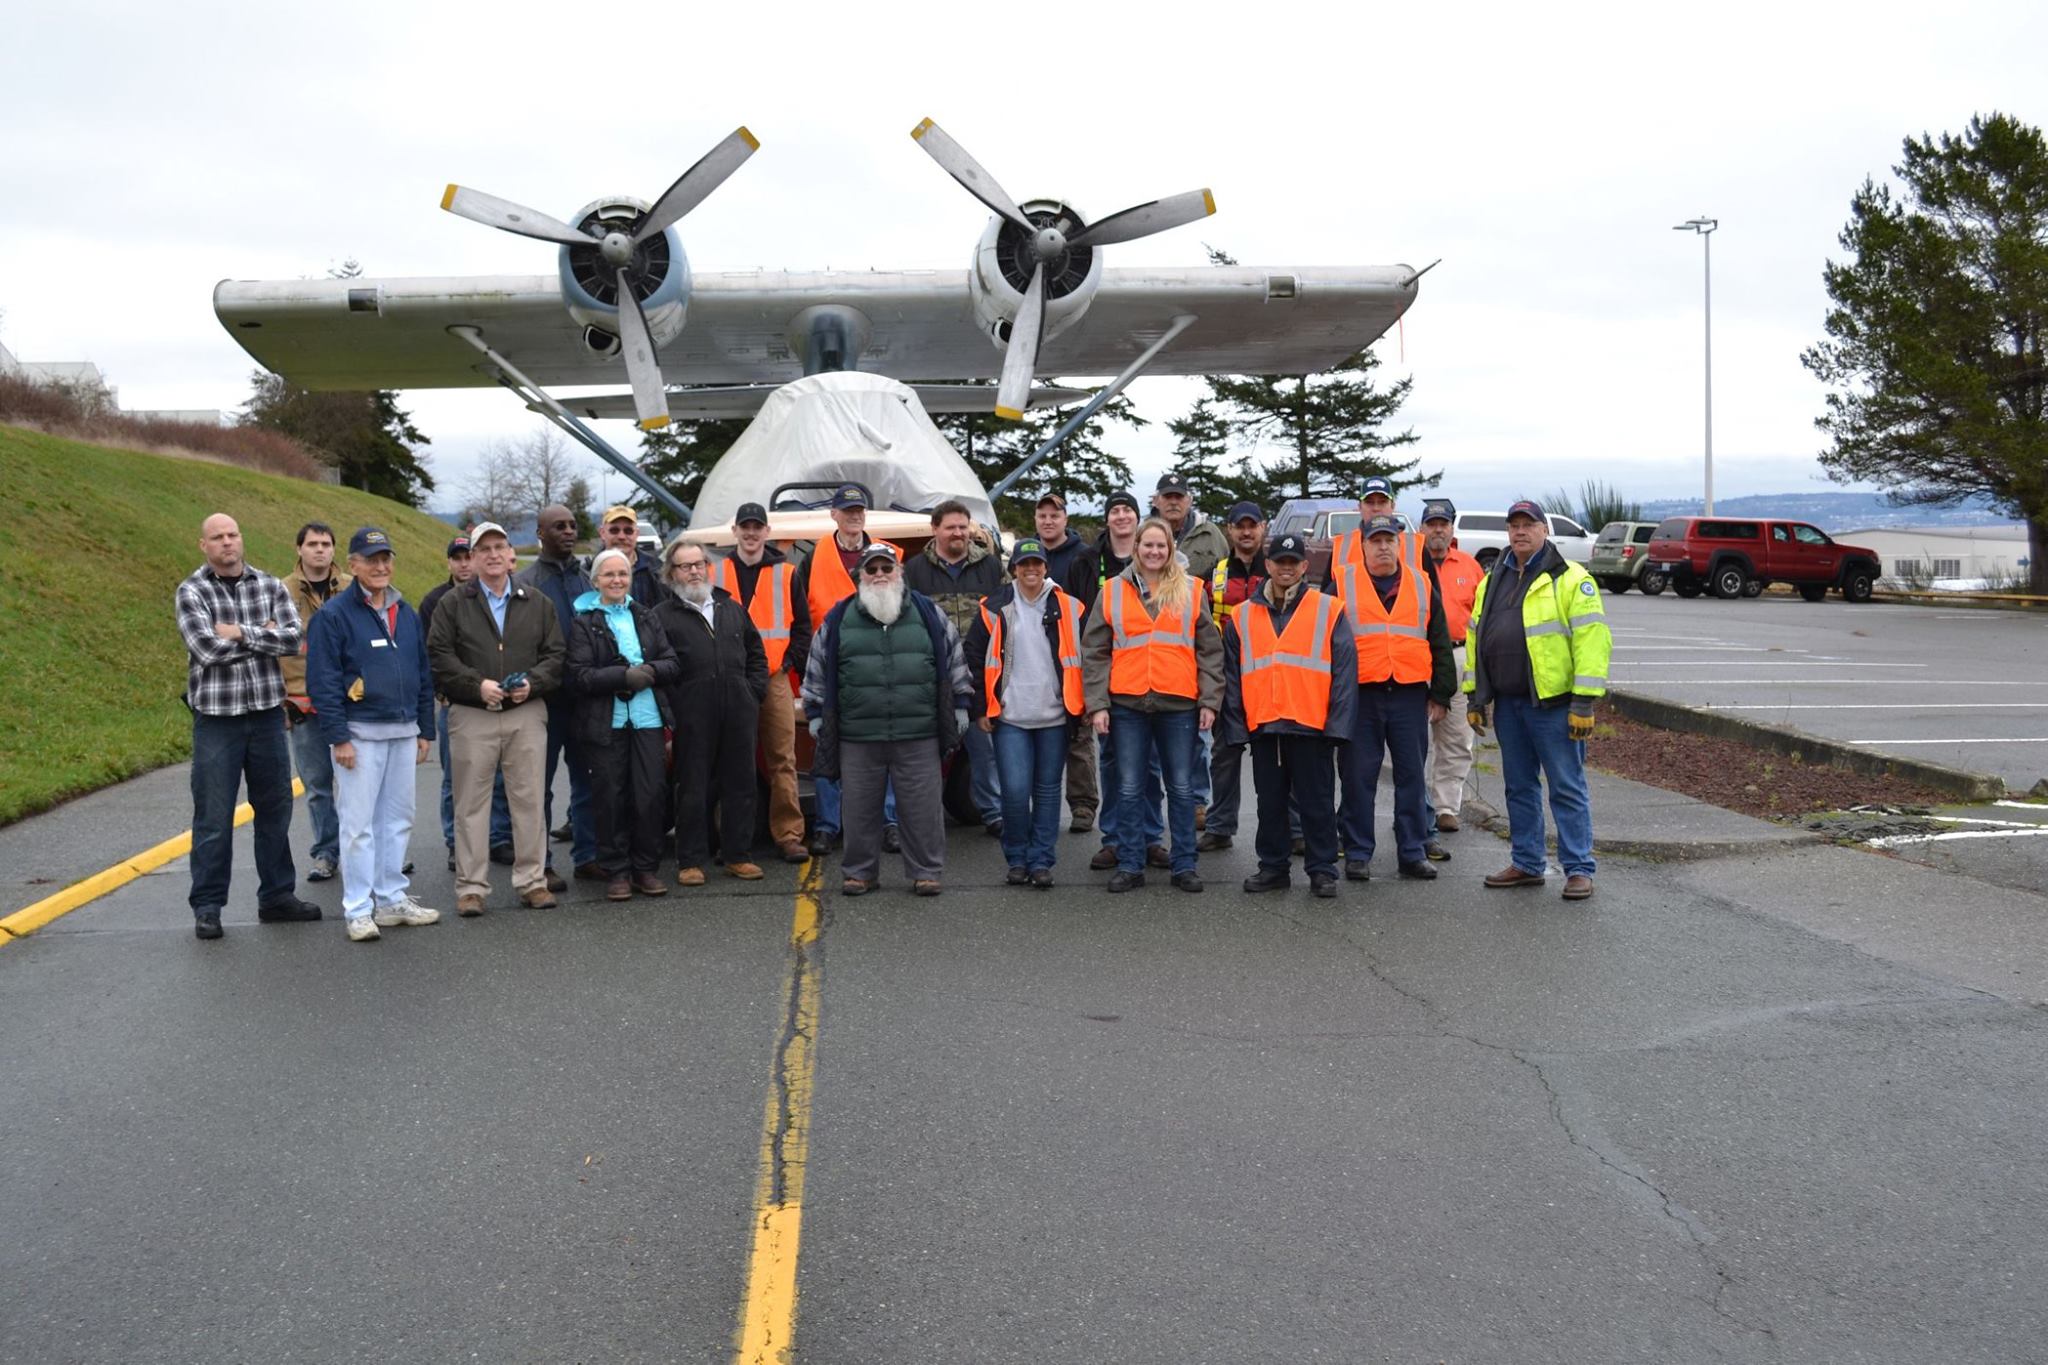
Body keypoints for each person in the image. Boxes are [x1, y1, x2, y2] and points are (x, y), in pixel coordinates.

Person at [175, 514, 319, 940]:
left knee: (275, 811)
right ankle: (208, 906)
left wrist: (238, 632)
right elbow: (206, 650)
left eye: (233, 535)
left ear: (242, 539)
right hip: (217, 721)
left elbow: (293, 639)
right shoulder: (191, 592)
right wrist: (261, 636)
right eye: (217, 537)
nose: (227, 543)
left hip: (266, 718)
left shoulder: (271, 586)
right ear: (204, 545)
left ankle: (276, 897)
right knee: (214, 818)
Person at [800, 543, 973, 897]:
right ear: (859, 576)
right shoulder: (838, 618)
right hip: (858, 735)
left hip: (919, 731)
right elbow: (816, 669)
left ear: (900, 573)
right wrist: (816, 713)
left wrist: (960, 704)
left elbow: (955, 658)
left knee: (923, 808)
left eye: (886, 568)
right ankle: (860, 873)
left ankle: (926, 871)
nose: (880, 575)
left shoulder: (928, 613)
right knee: (859, 809)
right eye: (872, 570)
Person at [1465, 500, 1611, 901]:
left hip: (1556, 705)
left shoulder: (1570, 578)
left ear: (1544, 530)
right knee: (1518, 787)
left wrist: (1584, 702)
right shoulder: (1492, 579)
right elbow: (1476, 638)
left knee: (1566, 787)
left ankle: (1579, 868)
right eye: (1513, 525)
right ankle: (1527, 863)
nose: (1519, 532)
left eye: (1528, 524)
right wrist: (1476, 697)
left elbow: (1592, 641)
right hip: (1510, 705)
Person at [304, 527, 438, 942]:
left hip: (402, 731)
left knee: (398, 819)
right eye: (371, 559)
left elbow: (422, 673)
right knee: (358, 826)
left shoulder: (406, 611)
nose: (381, 566)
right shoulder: (334, 615)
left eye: (386, 558)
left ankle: (392, 897)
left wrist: (424, 728)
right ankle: (358, 909)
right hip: (359, 736)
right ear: (354, 565)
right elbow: (323, 680)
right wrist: (338, 736)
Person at [1081, 516, 1225, 893]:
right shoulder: (1111, 590)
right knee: (1129, 787)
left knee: (1180, 788)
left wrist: (1209, 700)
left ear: (1171, 549)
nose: (1155, 551)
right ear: (1137, 548)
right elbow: (1094, 651)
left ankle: (1184, 866)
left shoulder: (1193, 590)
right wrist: (1097, 704)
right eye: (1148, 545)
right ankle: (1130, 864)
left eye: (1161, 545)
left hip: (1179, 704)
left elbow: (1210, 650)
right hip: (1127, 703)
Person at [429, 521, 566, 914]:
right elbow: (439, 655)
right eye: (483, 548)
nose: (492, 554)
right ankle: (471, 888)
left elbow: (555, 655)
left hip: (526, 713)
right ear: (471, 558)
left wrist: (534, 683)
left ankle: (532, 882)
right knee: (471, 804)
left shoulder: (537, 602)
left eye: (499, 547)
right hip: (474, 715)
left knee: (529, 800)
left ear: (511, 556)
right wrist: (477, 685)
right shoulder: (452, 604)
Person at [1219, 533, 1355, 897]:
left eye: (1293, 563)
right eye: (1280, 562)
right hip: (1265, 725)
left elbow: (1344, 672)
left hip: (1311, 726)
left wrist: (1337, 726)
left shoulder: (1329, 610)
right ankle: (1273, 867)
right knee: (1270, 804)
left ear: (1304, 568)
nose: (1286, 568)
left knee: (1318, 803)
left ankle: (1322, 870)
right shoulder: (1243, 615)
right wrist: (1236, 727)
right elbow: (1232, 676)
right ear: (1269, 565)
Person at [1331, 514, 1457, 882]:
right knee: (1358, 777)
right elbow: (1323, 639)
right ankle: (1357, 852)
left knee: (1411, 777)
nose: (1384, 546)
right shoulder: (1342, 583)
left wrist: (1441, 693)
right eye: (1376, 540)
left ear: (1400, 543)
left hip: (1408, 693)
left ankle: (1413, 851)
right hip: (1360, 695)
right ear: (1364, 545)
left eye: (1390, 539)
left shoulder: (1421, 582)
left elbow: (1440, 639)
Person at [965, 539, 1086, 887]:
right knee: (1015, 792)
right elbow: (974, 658)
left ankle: (1041, 861)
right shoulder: (994, 607)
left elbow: (1088, 658)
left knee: (1047, 792)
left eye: (1037, 563)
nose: (1030, 570)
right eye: (1023, 564)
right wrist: (979, 707)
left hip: (1055, 717)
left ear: (1046, 567)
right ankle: (1016, 857)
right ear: (1013, 568)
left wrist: (1086, 707)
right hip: (1010, 717)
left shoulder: (1071, 607)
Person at [791, 485, 900, 856]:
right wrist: (811, 665)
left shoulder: (889, 555)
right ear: (833, 515)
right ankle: (827, 825)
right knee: (827, 748)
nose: (854, 516)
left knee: (887, 746)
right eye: (846, 510)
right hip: (833, 668)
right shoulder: (811, 557)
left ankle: (890, 822)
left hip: (881, 670)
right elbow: (801, 618)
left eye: (859, 510)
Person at [568, 547, 681, 900]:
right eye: (609, 574)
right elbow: (580, 675)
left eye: (622, 574)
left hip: (647, 719)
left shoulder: (645, 616)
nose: (616, 580)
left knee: (649, 795)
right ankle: (616, 869)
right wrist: (622, 676)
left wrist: (647, 672)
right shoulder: (584, 622)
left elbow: (671, 662)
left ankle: (645, 868)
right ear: (596, 580)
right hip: (607, 722)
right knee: (610, 797)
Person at [654, 539, 768, 885]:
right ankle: (690, 860)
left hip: (738, 710)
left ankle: (737, 855)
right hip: (692, 714)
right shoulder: (661, 616)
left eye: (698, 564)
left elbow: (756, 653)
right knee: (692, 787)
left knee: (741, 784)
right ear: (671, 573)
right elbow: (657, 667)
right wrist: (674, 713)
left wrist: (753, 693)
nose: (693, 571)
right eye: (685, 566)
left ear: (708, 566)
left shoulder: (730, 608)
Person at [715, 501, 812, 863]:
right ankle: (733, 838)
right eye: (746, 527)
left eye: (758, 527)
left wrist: (788, 663)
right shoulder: (715, 573)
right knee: (729, 758)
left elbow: (802, 627)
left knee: (782, 759)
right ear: (735, 531)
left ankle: (788, 835)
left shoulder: (787, 574)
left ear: (767, 532)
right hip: (729, 679)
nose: (751, 533)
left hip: (773, 678)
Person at [903, 498, 1007, 835]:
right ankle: (921, 817)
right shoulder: (914, 570)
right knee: (926, 754)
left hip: (981, 676)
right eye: (950, 527)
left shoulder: (991, 568)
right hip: (933, 677)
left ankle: (993, 812)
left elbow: (1011, 615)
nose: (958, 533)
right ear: (935, 530)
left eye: (963, 527)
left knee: (985, 749)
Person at [517, 504, 603, 888]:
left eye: (571, 525)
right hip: (545, 703)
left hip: (586, 702)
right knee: (539, 787)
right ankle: (543, 864)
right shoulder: (527, 583)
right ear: (540, 532)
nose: (568, 531)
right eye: (559, 526)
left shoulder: (588, 581)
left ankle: (588, 856)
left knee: (587, 782)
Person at [1087, 491, 1166, 872]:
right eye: (1114, 510)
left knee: (1149, 770)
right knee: (1114, 766)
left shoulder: (1173, 571)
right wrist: (1097, 700)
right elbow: (1093, 643)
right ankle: (1115, 839)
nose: (1121, 516)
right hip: (1118, 692)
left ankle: (1150, 838)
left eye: (1128, 510)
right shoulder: (1091, 564)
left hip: (1159, 691)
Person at [1197, 502, 1271, 853]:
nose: (1246, 532)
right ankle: (1220, 825)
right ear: (1229, 530)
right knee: (1224, 755)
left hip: (1269, 678)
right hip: (1228, 677)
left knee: (1275, 759)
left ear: (1263, 528)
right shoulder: (1217, 573)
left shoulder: (1276, 570)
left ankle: (1292, 827)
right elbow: (1201, 624)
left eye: (1252, 525)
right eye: (1239, 526)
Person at [279, 521, 349, 884]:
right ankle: (326, 853)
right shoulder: (280, 592)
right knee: (318, 785)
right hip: (302, 705)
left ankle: (373, 852)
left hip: (350, 702)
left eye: (326, 543)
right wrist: (282, 702)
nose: (320, 550)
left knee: (360, 784)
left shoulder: (354, 587)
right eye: (313, 544)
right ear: (299, 549)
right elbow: (269, 649)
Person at [1032, 492, 1101, 833]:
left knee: (1079, 737)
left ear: (1065, 519)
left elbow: (1088, 608)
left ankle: (1084, 805)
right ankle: (1037, 804)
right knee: (1038, 734)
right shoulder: (1026, 556)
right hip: (1035, 658)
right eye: (1042, 515)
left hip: (1073, 657)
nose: (1048, 520)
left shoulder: (1083, 557)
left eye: (1054, 515)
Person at [1418, 500, 1486, 834]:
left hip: (1460, 657)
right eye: (1431, 524)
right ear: (1422, 529)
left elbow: (1483, 620)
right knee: (1414, 739)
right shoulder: (1410, 564)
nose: (1438, 530)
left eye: (1443, 524)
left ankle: (1446, 806)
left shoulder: (1471, 567)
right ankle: (1415, 805)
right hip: (1418, 656)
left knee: (1457, 737)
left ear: (1452, 529)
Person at [1151, 472, 1228, 585]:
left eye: (1179, 497)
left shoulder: (1210, 533)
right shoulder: (1142, 535)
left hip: (1199, 600)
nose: (1173, 502)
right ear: (1156, 501)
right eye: (1167, 496)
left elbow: (1228, 569)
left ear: (1189, 501)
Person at [1328, 475, 1403, 583]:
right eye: (1369, 502)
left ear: (1393, 506)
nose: (1376, 508)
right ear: (1360, 507)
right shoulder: (1341, 548)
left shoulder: (1416, 548)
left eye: (1382, 502)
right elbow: (1327, 597)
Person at [593, 504, 665, 606]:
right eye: (614, 530)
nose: (621, 536)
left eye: (628, 531)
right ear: (602, 533)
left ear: (636, 534)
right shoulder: (587, 571)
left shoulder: (656, 569)